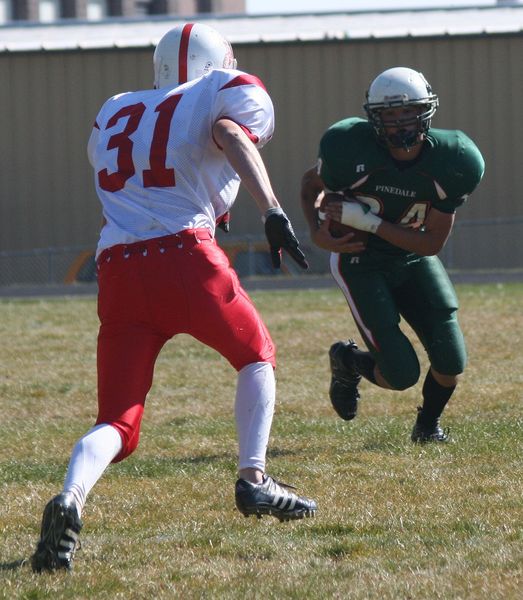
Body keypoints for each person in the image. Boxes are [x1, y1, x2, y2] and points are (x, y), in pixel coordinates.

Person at [32, 22, 316, 573]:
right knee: (256, 354)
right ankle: (254, 479)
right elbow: (233, 137)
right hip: (183, 255)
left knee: (117, 421)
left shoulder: (116, 107)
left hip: (115, 266)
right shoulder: (219, 91)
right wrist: (274, 210)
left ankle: (70, 499)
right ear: (220, 61)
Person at [301, 66, 484, 443]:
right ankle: (348, 361)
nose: (400, 124)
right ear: (374, 118)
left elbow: (431, 243)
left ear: (427, 111)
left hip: (412, 255)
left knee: (451, 358)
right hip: (359, 259)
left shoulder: (455, 159)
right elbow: (311, 185)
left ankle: (427, 427)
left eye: (408, 113)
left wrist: (369, 221)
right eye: (389, 115)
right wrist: (317, 232)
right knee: (401, 374)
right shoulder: (347, 146)